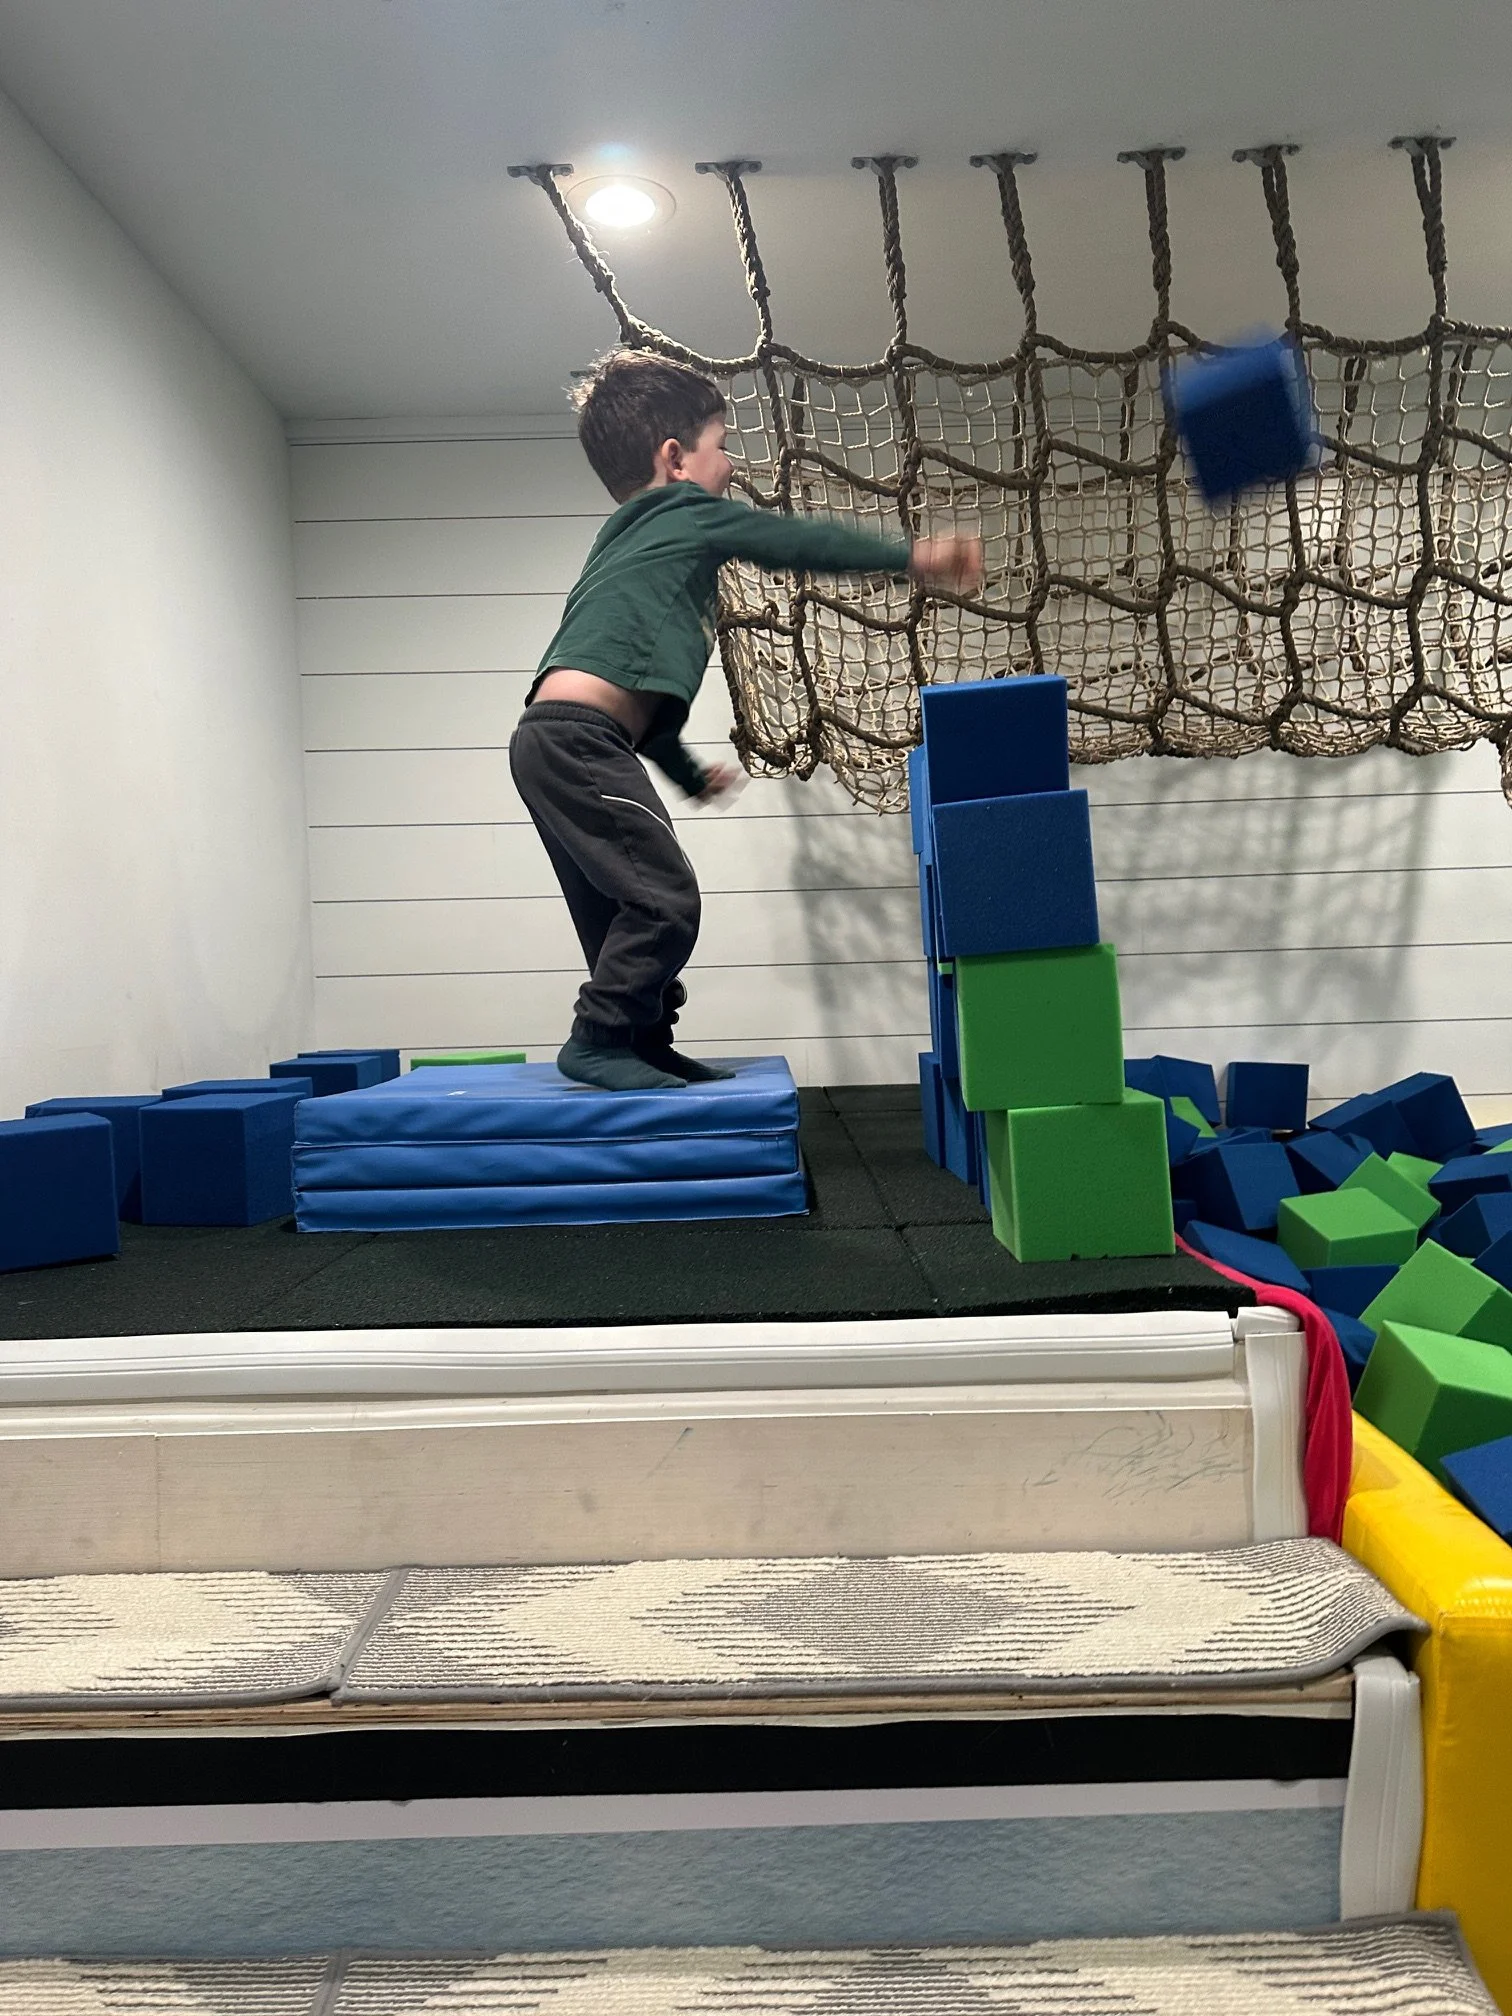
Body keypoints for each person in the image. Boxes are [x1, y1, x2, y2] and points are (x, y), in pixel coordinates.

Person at [510, 351, 983, 1092]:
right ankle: (599, 1038)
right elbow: (799, 544)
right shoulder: (685, 514)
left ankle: (641, 1043)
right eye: (721, 445)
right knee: (664, 899)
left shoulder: (629, 546)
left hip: (556, 739)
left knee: (620, 907)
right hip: (578, 738)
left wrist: (690, 771)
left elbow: (646, 712)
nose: (730, 465)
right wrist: (911, 557)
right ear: (675, 459)